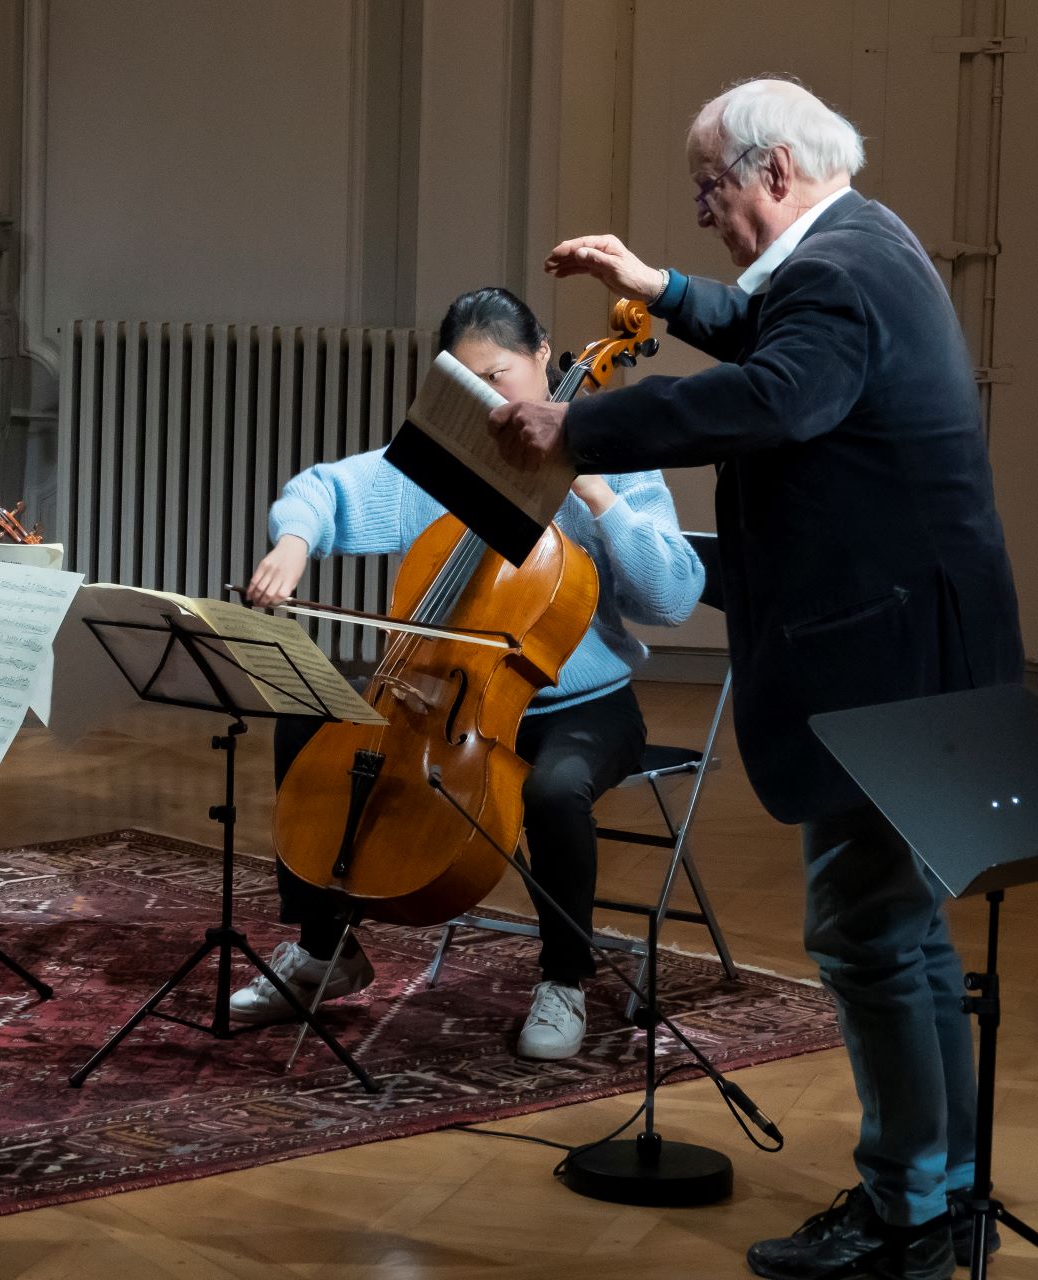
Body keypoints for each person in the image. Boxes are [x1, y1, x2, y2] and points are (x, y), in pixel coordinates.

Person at [490, 78, 1022, 1280]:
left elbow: (786, 392)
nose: (705, 212)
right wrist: (662, 292)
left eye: (708, 191)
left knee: (867, 929)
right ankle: (933, 1194)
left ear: (773, 171)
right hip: (923, 646)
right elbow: (768, 322)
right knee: (902, 932)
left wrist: (579, 432)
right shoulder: (867, 244)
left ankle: (905, 1220)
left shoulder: (839, 272)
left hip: (886, 658)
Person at [241, 286, 704, 1059]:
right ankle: (329, 950)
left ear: (543, 356)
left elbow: (675, 595)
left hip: (581, 707)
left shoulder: (616, 454)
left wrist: (592, 487)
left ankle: (564, 977)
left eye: (500, 377)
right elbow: (325, 488)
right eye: (467, 383)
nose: (487, 402)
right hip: (438, 695)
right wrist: (293, 540)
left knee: (554, 787)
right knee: (306, 716)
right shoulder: (446, 456)